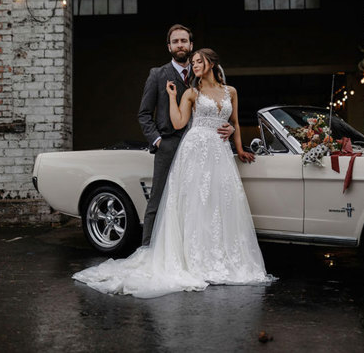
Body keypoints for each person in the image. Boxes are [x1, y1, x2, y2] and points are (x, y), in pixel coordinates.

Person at [73, 48, 274, 298]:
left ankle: (221, 257)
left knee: (219, 203)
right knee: (196, 204)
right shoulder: (191, 92)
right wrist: (171, 96)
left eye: (199, 62)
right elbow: (179, 123)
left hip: (220, 153)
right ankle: (194, 258)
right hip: (196, 149)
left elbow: (234, 123)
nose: (194, 66)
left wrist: (240, 148)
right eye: (193, 63)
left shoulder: (230, 91)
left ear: (211, 63)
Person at [137, 24, 234, 246]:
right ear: (169, 46)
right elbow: (143, 114)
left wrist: (231, 127)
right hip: (169, 145)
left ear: (191, 45)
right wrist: (158, 141)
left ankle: (188, 251)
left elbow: (220, 105)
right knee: (159, 199)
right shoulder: (158, 74)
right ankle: (149, 249)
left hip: (201, 148)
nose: (180, 45)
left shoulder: (201, 71)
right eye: (175, 41)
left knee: (199, 200)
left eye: (184, 41)